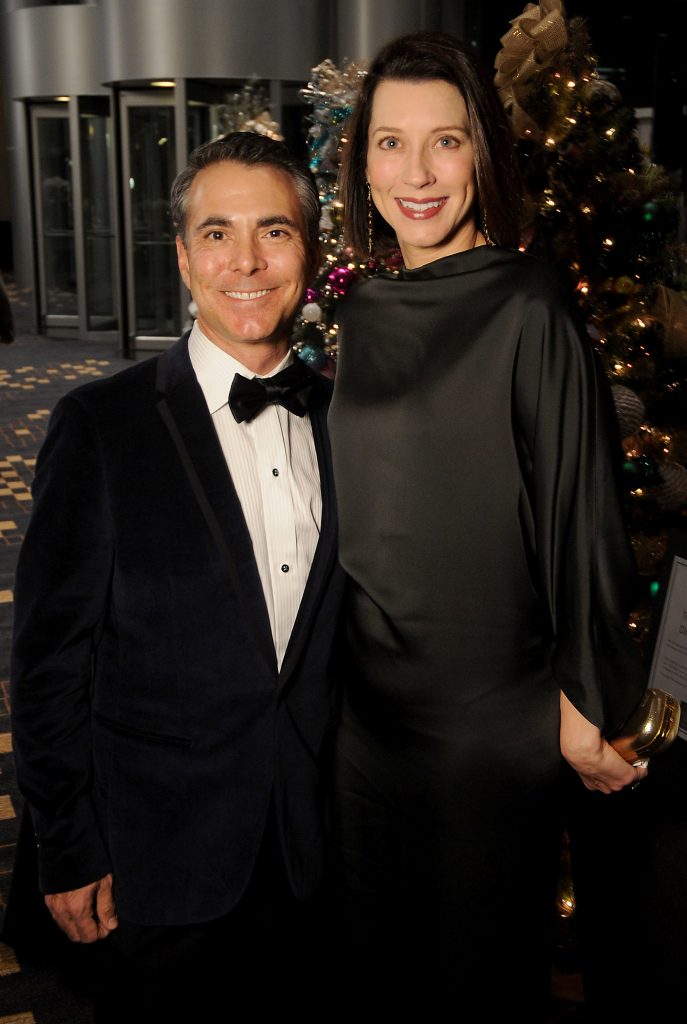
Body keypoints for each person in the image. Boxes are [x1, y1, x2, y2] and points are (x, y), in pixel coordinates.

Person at [327, 30, 649, 1017]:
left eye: (445, 141)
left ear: (484, 153)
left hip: (484, 729)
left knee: (478, 984)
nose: (415, 174)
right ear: (361, 159)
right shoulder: (366, 306)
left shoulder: (530, 305)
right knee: (376, 980)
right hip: (363, 726)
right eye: (390, 143)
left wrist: (588, 698)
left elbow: (582, 512)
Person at [10, 132, 344, 1021]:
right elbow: (47, 664)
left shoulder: (347, 419)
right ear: (184, 256)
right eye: (217, 232)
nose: (245, 260)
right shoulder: (99, 427)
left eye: (273, 232)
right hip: (154, 864)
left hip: (317, 859)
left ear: (306, 253)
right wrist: (66, 844)